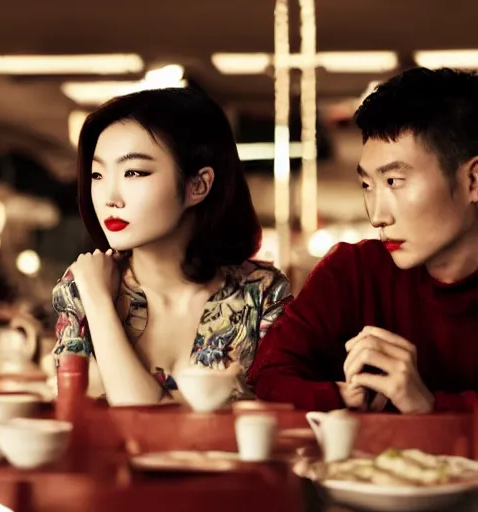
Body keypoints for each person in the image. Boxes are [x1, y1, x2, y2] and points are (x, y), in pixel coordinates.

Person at [248, 67, 478, 414]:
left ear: (473, 180)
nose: (377, 215)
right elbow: (266, 378)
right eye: (367, 185)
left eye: (394, 181)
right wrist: (342, 396)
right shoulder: (352, 271)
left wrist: (429, 408)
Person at [51, 87, 291, 406]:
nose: (110, 197)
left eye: (133, 172)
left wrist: (98, 304)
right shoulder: (83, 285)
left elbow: (285, 416)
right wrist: (97, 302)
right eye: (97, 174)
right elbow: (76, 416)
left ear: (198, 185)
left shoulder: (261, 293)